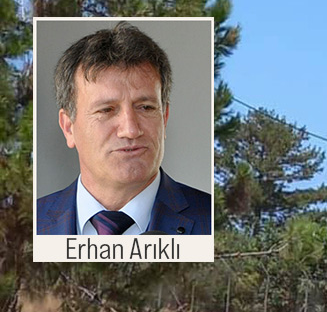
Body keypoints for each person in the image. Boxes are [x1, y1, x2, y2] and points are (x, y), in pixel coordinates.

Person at [36, 22, 211, 235]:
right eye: (107, 110)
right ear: (68, 127)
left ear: (164, 118)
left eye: (145, 107)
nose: (130, 130)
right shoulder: (28, 227)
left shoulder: (211, 222)